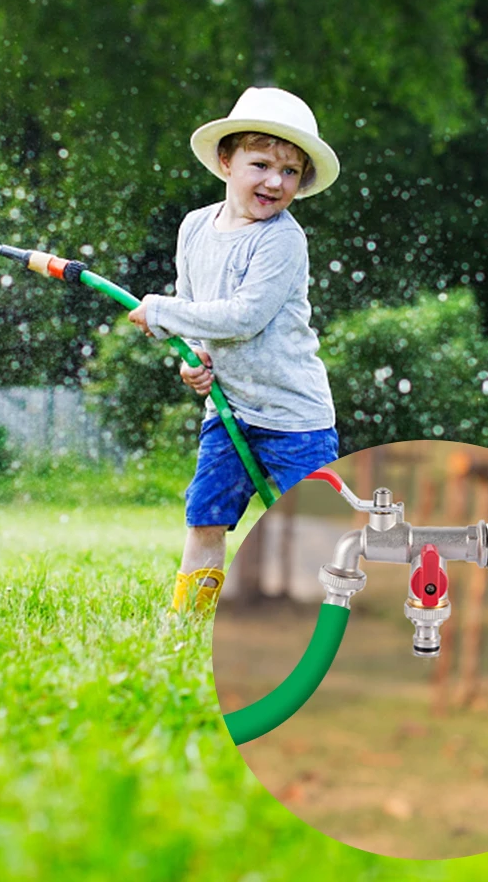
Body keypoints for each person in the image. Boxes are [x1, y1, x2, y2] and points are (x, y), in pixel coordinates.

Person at [128, 86, 340, 612]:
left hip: (295, 416)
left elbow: (244, 317)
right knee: (206, 516)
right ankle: (190, 620)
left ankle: (328, 621)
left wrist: (161, 310)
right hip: (228, 411)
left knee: (315, 529)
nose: (275, 181)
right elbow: (194, 312)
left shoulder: (283, 239)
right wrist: (192, 359)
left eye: (290, 172)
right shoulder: (195, 227)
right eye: (260, 163)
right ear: (226, 161)